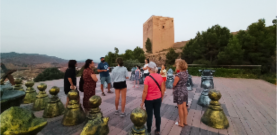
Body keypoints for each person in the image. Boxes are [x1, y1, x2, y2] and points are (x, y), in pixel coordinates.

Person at [140, 61, 165, 135]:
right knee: (157, 114)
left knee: (149, 115)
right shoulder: (160, 77)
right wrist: (161, 98)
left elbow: (145, 91)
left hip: (149, 100)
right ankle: (158, 130)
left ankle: (149, 130)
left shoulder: (147, 78)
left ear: (149, 68)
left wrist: (142, 102)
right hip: (158, 99)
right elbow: (163, 90)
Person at [173, 59, 188, 127]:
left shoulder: (178, 75)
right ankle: (185, 121)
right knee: (184, 107)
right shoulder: (186, 73)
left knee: (180, 108)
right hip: (185, 91)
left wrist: (173, 87)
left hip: (179, 92)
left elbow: (174, 84)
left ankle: (181, 123)